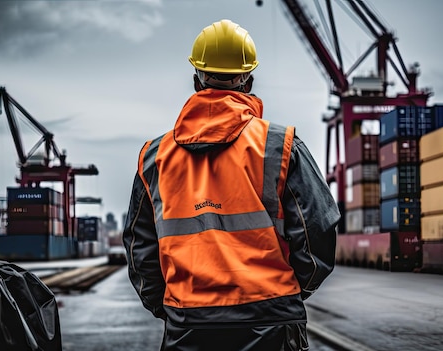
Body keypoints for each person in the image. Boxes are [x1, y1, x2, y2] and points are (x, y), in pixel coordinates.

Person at [123, 19, 340, 351]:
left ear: (196, 80)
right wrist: (289, 293)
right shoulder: (281, 147)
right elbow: (317, 235)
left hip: (188, 325)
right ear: (248, 80)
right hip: (271, 320)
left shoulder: (154, 158)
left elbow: (140, 250)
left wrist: (169, 305)